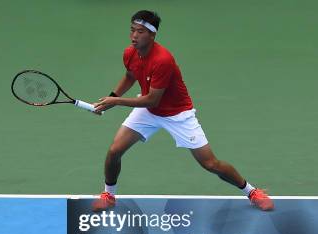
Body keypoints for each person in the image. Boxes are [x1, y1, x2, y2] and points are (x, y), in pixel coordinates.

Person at [92, 10, 274, 212]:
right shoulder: (130, 53)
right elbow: (130, 76)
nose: (134, 36)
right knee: (114, 151)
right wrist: (111, 96)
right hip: (149, 112)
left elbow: (153, 100)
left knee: (211, 164)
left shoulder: (163, 60)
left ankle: (251, 191)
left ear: (152, 35)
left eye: (140, 32)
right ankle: (109, 194)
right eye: (132, 30)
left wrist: (115, 102)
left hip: (177, 115)